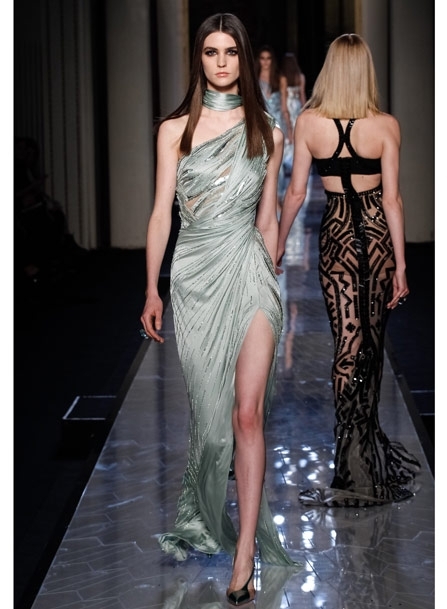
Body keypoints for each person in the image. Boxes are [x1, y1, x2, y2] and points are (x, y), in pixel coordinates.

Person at [140, 12, 301, 606]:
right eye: (211, 52)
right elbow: (161, 214)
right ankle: (215, 519)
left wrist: (270, 272)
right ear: (200, 59)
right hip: (194, 276)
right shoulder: (174, 131)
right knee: (211, 426)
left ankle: (244, 553)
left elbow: (267, 216)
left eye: (230, 52)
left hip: (250, 272)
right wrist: (152, 288)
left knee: (247, 415)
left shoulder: (267, 133)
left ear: (243, 57)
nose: (222, 62)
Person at [277, 33, 421, 508]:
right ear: (365, 72)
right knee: (371, 350)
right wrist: (401, 263)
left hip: (337, 239)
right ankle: (364, 464)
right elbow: (392, 200)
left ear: (330, 70)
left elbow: (296, 193)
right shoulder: (385, 125)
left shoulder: (309, 122)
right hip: (376, 240)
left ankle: (352, 464)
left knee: (347, 347)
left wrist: (277, 245)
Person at [255, 45, 290, 205]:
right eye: (262, 58)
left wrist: (290, 129)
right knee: (261, 161)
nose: (265, 62)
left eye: (268, 58)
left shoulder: (280, 79)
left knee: (278, 164)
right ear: (258, 60)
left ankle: (276, 198)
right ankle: (265, 199)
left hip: (278, 124)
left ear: (272, 60)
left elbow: (284, 107)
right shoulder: (253, 79)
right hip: (259, 124)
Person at [279, 52, 306, 181]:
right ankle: (297, 167)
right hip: (297, 107)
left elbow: (283, 101)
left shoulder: (283, 78)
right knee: (297, 136)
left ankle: (289, 168)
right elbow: (303, 97)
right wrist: (304, 112)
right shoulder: (300, 77)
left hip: (288, 106)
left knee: (289, 137)